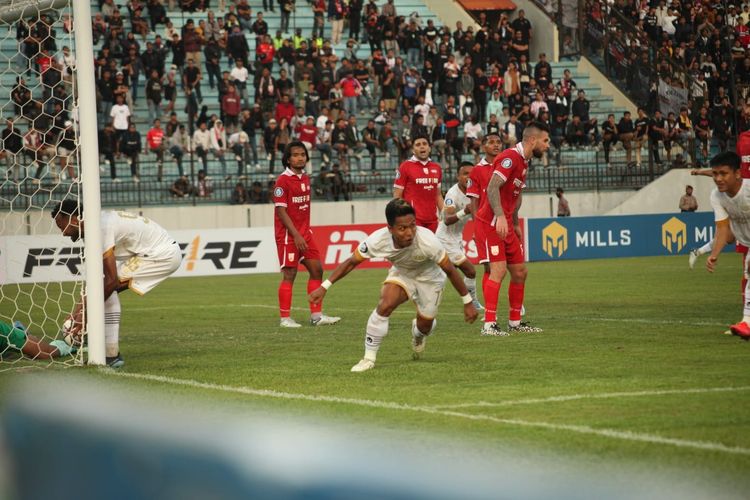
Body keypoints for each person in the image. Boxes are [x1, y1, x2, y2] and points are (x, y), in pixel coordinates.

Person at [309, 198, 479, 372]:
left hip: (431, 279)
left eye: (412, 225)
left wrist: (467, 302)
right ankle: (368, 358)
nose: (409, 233)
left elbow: (450, 270)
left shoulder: (428, 241)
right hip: (402, 274)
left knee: (425, 327)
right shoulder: (378, 240)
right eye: (402, 228)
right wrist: (324, 286)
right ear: (390, 228)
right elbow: (351, 262)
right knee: (385, 304)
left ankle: (418, 334)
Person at [52, 200, 183, 367]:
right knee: (100, 287)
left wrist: (83, 316)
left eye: (61, 225)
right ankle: (106, 350)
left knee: (107, 287)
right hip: (153, 252)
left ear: (74, 219)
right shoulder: (94, 227)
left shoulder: (101, 228)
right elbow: (96, 282)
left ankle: (110, 354)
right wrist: (77, 313)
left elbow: (111, 281)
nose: (63, 233)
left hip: (162, 255)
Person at [474, 121, 549, 335]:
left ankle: (515, 323)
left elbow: (514, 196)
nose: (548, 145)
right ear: (532, 140)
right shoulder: (510, 157)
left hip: (506, 223)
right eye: (545, 140)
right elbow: (492, 187)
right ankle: (489, 325)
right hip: (492, 223)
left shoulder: (524, 161)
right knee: (497, 270)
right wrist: (499, 216)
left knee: (520, 272)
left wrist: (514, 222)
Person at [272, 141, 340, 328]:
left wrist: (303, 233)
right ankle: (285, 319)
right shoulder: (282, 181)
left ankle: (316, 316)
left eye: (302, 154)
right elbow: (281, 211)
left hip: (305, 233)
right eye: (295, 154)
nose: (300, 157)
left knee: (317, 269)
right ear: (287, 159)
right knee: (290, 273)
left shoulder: (305, 178)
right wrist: (296, 235)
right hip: (288, 235)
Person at [704, 152, 750, 340]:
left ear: (738, 174)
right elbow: (722, 228)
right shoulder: (717, 196)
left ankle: (747, 322)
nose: (718, 179)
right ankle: (746, 322)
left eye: (723, 173)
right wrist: (714, 254)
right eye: (715, 174)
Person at [436, 161, 483, 310]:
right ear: (458, 176)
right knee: (470, 271)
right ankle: (473, 302)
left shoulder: (475, 191)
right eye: (465, 174)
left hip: (456, 239)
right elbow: (447, 219)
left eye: (471, 174)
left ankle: (425, 298)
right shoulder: (452, 194)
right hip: (445, 239)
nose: (469, 177)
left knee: (440, 274)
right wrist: (465, 211)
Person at [392, 135, 444, 232]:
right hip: (413, 220)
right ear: (413, 150)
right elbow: (397, 195)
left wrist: (445, 214)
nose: (422, 146)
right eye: (418, 145)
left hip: (433, 220)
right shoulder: (405, 167)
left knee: (432, 247)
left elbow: (438, 195)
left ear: (429, 148)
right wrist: (400, 218)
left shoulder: (437, 168)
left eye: (424, 144)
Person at [0, 320, 75, 360]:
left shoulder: (3, 332)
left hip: (8, 336)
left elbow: (45, 352)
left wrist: (61, 349)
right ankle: (19, 330)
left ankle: (20, 331)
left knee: (46, 352)